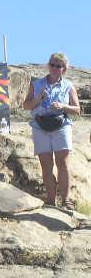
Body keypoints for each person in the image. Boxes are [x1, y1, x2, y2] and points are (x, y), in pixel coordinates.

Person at [23, 53, 80, 211]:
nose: (55, 68)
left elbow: (77, 109)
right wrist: (38, 99)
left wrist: (63, 106)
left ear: (64, 69)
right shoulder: (37, 84)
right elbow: (26, 106)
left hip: (61, 125)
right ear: (48, 65)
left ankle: (66, 200)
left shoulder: (68, 86)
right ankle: (50, 199)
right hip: (40, 126)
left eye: (58, 66)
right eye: (52, 64)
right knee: (46, 165)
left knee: (63, 163)